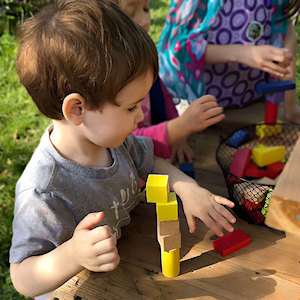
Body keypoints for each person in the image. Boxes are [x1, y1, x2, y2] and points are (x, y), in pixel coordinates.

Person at [9, 0, 236, 298]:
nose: (141, 117)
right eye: (131, 107)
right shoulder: (44, 191)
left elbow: (151, 161)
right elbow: (23, 277)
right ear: (78, 109)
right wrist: (72, 255)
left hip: (131, 266)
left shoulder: (115, 142)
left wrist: (187, 187)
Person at [111, 0, 225, 164]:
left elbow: (162, 95)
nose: (144, 20)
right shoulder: (110, 80)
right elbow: (125, 142)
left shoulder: (142, 56)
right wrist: (179, 127)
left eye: (145, 9)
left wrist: (177, 137)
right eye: (131, 14)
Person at [158, 0, 300, 125]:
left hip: (251, 104)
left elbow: (285, 32)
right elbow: (178, 48)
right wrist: (245, 54)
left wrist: (290, 103)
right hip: (194, 109)